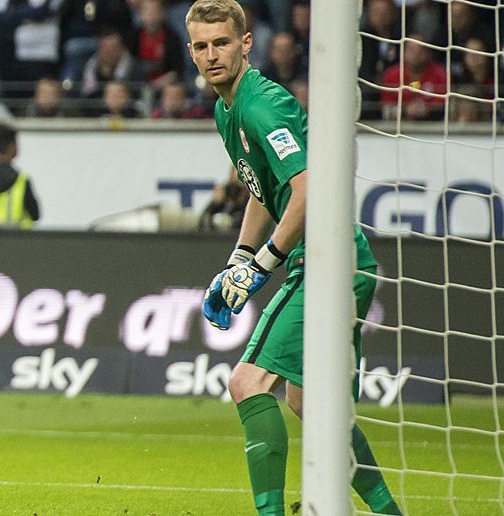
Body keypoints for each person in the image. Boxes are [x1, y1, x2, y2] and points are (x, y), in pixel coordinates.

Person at [184, 2, 402, 515]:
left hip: (326, 260)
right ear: (190, 51)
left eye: (221, 42)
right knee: (310, 403)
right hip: (344, 260)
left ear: (245, 43)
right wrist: (239, 257)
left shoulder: (260, 105)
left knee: (247, 382)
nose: (211, 55)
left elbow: (307, 191)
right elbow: (264, 189)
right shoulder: (227, 108)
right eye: (200, 45)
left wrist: (262, 265)